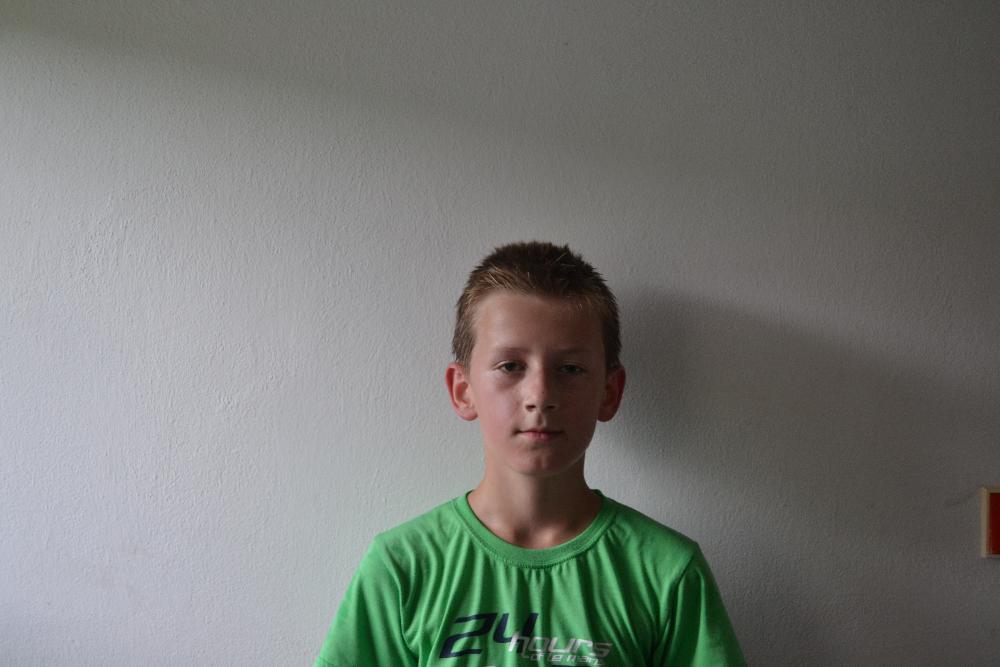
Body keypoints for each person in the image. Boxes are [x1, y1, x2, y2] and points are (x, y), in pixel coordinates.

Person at [314, 241, 745, 666]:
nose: (540, 395)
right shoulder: (403, 568)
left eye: (570, 369)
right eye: (510, 366)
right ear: (463, 390)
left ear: (609, 392)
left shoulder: (666, 572)